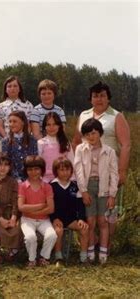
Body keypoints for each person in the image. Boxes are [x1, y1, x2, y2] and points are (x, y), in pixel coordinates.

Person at [72, 81, 130, 250]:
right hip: (87, 174)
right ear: (90, 99)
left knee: (108, 210)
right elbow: (76, 142)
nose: (99, 99)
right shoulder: (83, 115)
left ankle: (107, 244)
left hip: (108, 172)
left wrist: (122, 171)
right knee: (89, 210)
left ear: (108, 98)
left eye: (102, 95)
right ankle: (92, 241)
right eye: (95, 96)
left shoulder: (116, 116)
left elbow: (125, 145)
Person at [74, 118, 118, 264]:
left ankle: (103, 253)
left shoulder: (109, 151)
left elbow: (114, 174)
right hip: (88, 187)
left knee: (103, 221)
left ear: (100, 133)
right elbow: (78, 170)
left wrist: (112, 195)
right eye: (87, 135)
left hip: (103, 188)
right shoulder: (80, 149)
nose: (91, 137)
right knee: (91, 221)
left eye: (93, 133)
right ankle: (90, 251)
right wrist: (84, 191)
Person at [18, 155, 57, 267]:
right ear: (26, 171)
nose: (33, 172)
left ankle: (44, 257)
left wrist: (31, 210)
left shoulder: (47, 187)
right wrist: (40, 206)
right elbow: (21, 207)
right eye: (30, 169)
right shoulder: (23, 186)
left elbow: (51, 208)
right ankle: (32, 259)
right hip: (27, 219)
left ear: (42, 170)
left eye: (36, 169)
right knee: (30, 237)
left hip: (44, 220)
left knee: (52, 235)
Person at [50, 157, 89, 263]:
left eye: (67, 170)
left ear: (71, 171)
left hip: (71, 219)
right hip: (57, 219)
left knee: (84, 229)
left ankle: (84, 257)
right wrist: (54, 219)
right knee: (58, 231)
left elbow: (80, 205)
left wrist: (81, 219)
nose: (65, 172)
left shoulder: (75, 186)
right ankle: (58, 257)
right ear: (56, 171)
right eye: (61, 170)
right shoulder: (51, 185)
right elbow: (49, 205)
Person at [0, 153, 21, 263]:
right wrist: (0, 218)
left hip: (10, 212)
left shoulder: (13, 182)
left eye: (6, 165)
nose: (2, 168)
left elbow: (15, 200)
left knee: (17, 229)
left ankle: (12, 252)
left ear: (10, 167)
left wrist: (14, 216)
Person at [37, 112, 74, 183]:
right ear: (44, 126)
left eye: (54, 124)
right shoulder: (40, 143)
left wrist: (72, 180)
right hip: (46, 181)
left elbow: (71, 163)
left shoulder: (65, 143)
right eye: (48, 125)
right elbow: (39, 165)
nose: (51, 127)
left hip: (63, 180)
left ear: (59, 126)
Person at [2, 111, 37, 181]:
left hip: (30, 178)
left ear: (23, 122)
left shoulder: (32, 140)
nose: (11, 124)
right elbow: (7, 161)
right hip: (12, 180)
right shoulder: (6, 141)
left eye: (15, 121)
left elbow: (34, 159)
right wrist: (17, 178)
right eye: (10, 121)